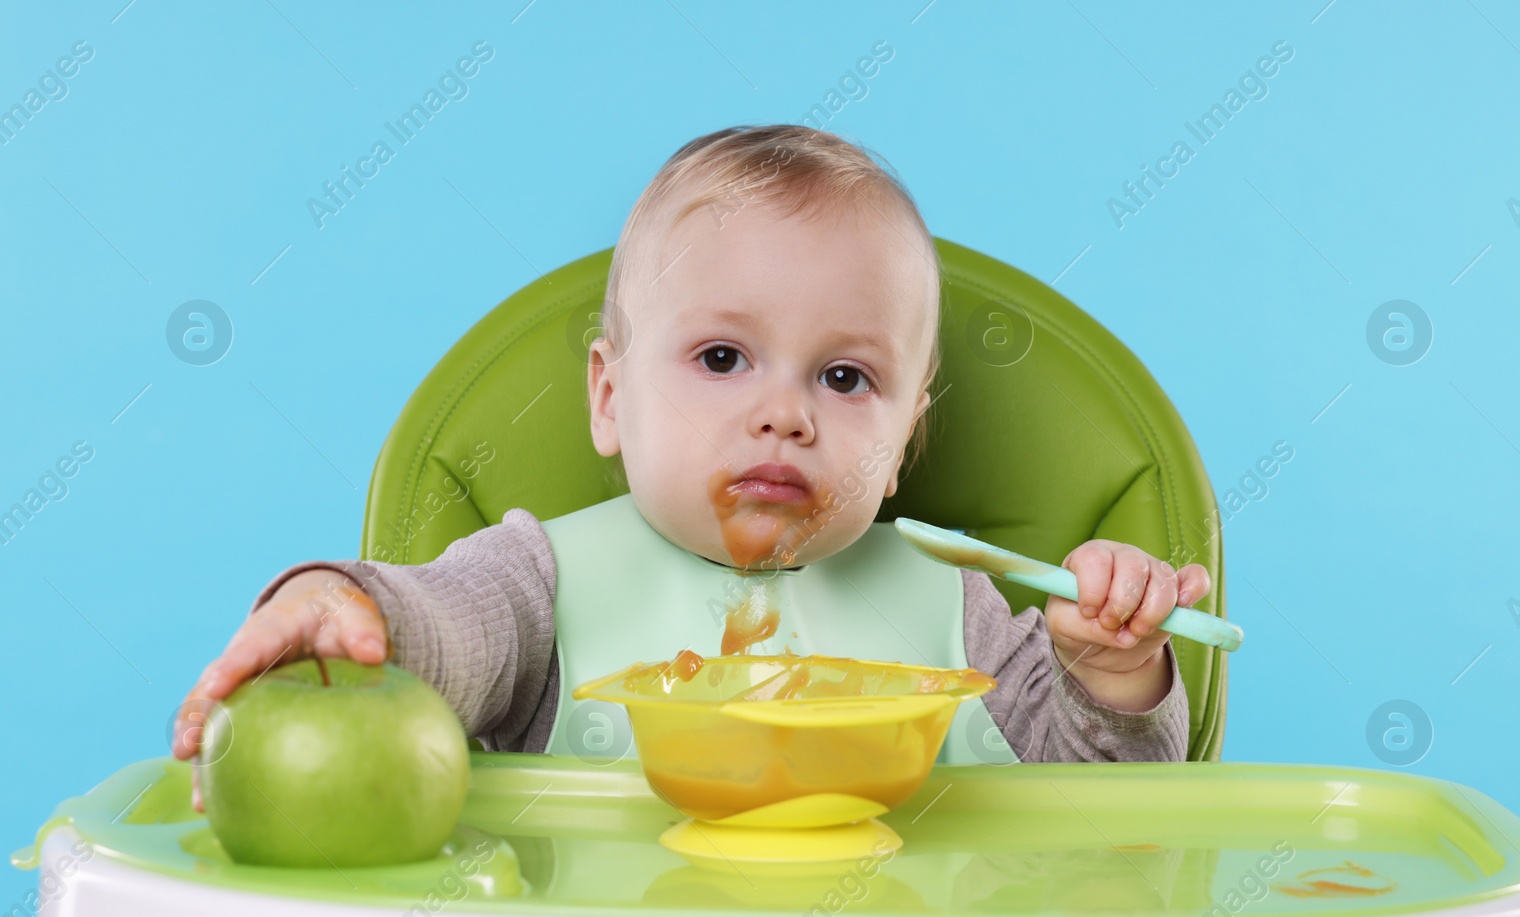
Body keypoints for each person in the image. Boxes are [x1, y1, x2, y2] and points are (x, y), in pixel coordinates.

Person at [171, 124, 1211, 812]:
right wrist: (346, 609)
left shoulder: (958, 609)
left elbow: (1104, 822)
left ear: (903, 444)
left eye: (845, 377)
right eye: (721, 358)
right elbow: (443, 628)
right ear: (609, 396)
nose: (783, 415)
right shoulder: (540, 580)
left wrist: (1109, 669)